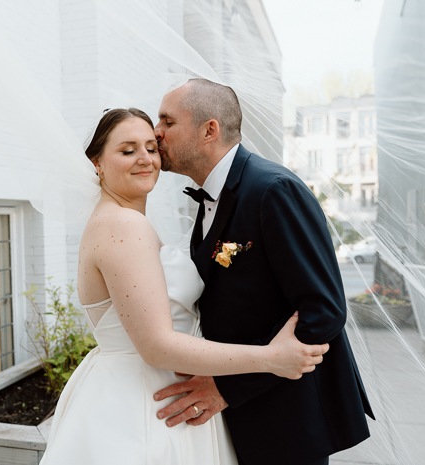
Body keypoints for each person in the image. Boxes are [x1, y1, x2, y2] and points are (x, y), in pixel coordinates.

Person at [39, 108, 330, 465]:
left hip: (163, 391)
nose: (145, 159)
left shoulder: (125, 220)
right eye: (128, 150)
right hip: (144, 402)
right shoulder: (122, 226)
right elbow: (158, 346)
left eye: (150, 147)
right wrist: (271, 358)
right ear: (96, 162)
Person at [153, 79, 375, 465]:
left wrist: (227, 387)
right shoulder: (214, 197)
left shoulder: (273, 190)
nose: (156, 133)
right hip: (244, 419)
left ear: (209, 130)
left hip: (289, 419)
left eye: (167, 121)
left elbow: (323, 312)